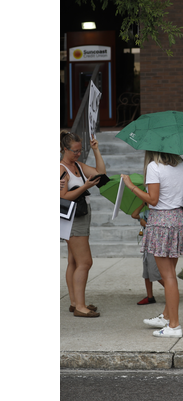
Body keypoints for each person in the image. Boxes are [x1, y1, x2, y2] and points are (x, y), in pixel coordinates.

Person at [122, 151, 183, 338]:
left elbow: (153, 199)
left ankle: (174, 326)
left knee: (167, 277)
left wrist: (130, 186)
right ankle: (167, 317)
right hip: (177, 218)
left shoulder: (154, 167)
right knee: (170, 276)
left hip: (161, 220)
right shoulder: (181, 164)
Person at [61, 131, 106, 318]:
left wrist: (96, 150)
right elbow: (61, 197)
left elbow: (101, 175)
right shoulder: (61, 169)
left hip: (81, 216)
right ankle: (80, 306)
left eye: (80, 150)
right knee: (85, 262)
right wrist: (85, 187)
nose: (78, 154)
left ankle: (74, 303)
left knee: (73, 261)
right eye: (75, 151)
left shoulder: (77, 166)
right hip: (73, 219)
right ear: (65, 149)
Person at [131, 204, 165, 305]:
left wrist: (146, 225)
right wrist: (142, 203)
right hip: (147, 246)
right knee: (146, 273)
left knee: (155, 272)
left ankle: (172, 291)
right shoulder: (146, 213)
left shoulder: (161, 214)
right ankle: (150, 296)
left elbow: (160, 230)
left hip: (156, 246)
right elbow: (134, 215)